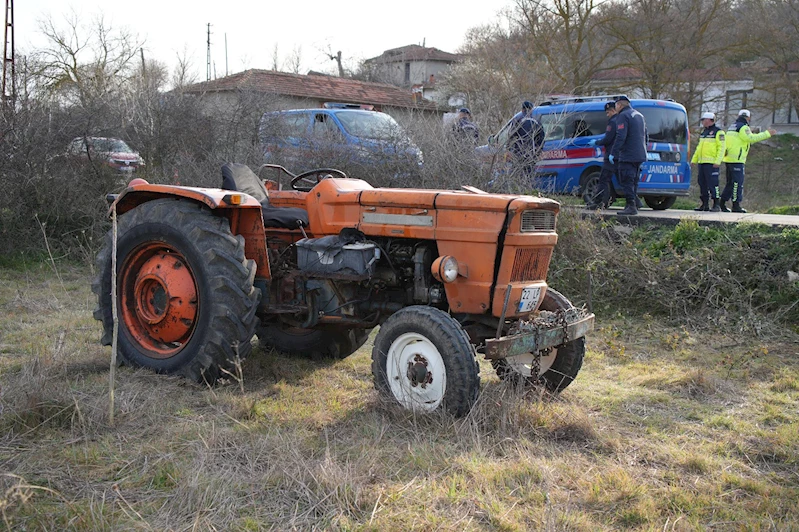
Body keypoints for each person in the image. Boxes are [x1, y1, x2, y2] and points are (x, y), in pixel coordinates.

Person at [720, 109, 776, 213]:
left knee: (730, 183)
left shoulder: (732, 127)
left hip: (729, 158)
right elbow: (750, 138)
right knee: (737, 183)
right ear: (748, 117)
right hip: (737, 159)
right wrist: (767, 134)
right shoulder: (743, 127)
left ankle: (722, 203)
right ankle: (736, 206)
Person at [610, 96, 647, 216]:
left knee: (626, 179)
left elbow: (621, 135)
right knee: (634, 180)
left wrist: (614, 152)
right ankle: (634, 203)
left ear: (620, 105)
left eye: (616, 105)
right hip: (639, 154)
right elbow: (646, 135)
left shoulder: (623, 116)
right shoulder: (639, 115)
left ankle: (631, 205)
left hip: (628, 154)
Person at [586, 101, 619, 209]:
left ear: (613, 110)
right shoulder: (621, 120)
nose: (607, 114)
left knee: (603, 179)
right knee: (623, 180)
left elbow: (608, 139)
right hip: (619, 155)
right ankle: (635, 202)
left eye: (608, 112)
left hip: (611, 155)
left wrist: (597, 142)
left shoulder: (612, 122)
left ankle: (597, 202)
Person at [690, 111, 726, 212]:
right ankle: (704, 204)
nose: (703, 122)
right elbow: (699, 148)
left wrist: (718, 161)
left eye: (704, 120)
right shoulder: (704, 133)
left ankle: (716, 204)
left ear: (710, 120)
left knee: (713, 184)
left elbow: (722, 148)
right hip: (702, 162)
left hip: (712, 163)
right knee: (702, 183)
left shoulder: (719, 132)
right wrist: (694, 160)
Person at [508, 100, 545, 180]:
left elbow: (511, 137)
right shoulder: (536, 122)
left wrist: (510, 150)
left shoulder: (517, 121)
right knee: (528, 178)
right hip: (531, 155)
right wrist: (537, 153)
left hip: (518, 154)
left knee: (516, 177)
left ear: (522, 109)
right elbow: (541, 140)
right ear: (531, 109)